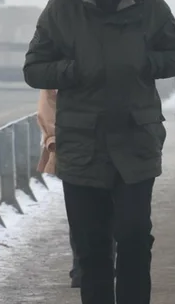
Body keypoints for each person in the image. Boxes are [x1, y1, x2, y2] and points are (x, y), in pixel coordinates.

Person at [23, 0, 175, 304]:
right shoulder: (60, 11)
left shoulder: (151, 7)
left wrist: (144, 63)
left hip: (136, 141)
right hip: (82, 144)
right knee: (91, 246)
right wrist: (74, 70)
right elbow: (34, 69)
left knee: (134, 236)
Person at [36, 89, 114, 288]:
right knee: (82, 213)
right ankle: (83, 266)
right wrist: (52, 137)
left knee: (109, 209)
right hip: (75, 147)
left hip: (114, 144)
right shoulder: (65, 70)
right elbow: (49, 98)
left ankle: (98, 265)